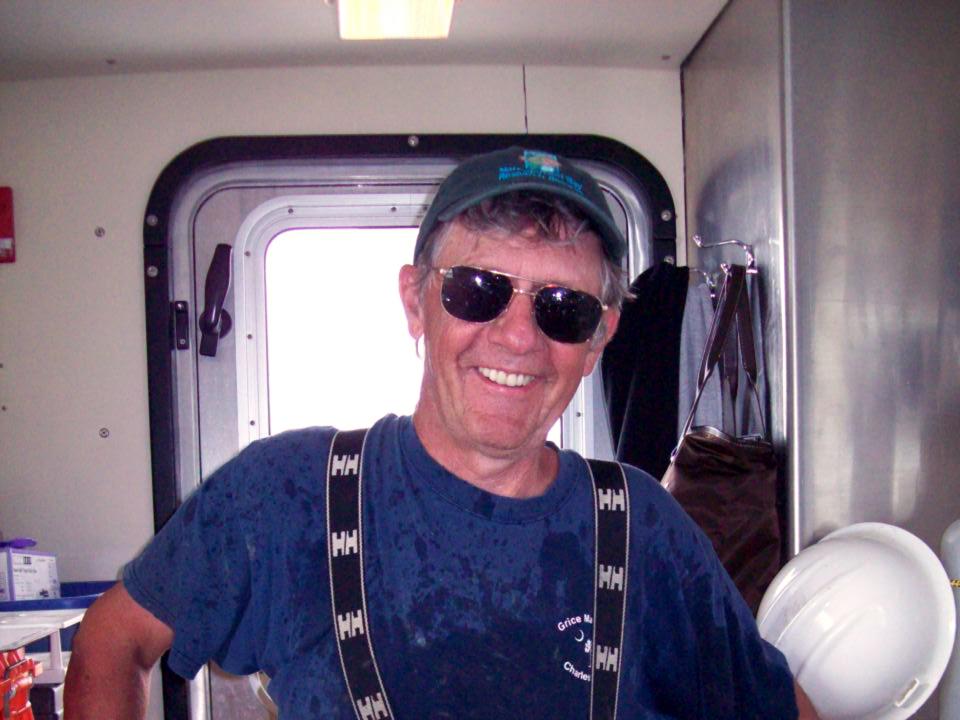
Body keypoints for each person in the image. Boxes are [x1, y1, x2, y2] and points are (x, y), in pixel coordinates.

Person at [64, 147, 818, 719]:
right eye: (477, 290)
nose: (517, 337)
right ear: (415, 301)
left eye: (563, 309)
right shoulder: (283, 493)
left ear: (599, 339)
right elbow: (111, 640)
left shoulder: (647, 530)